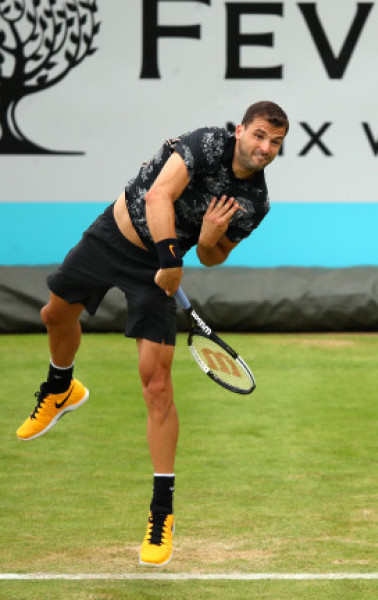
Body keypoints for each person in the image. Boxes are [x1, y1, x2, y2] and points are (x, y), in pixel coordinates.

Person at [16, 101, 289, 567]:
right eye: (260, 135)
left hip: (163, 271)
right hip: (116, 237)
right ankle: (61, 387)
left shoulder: (255, 202)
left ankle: (161, 512)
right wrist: (170, 260)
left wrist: (205, 238)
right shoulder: (206, 144)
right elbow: (158, 196)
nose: (265, 148)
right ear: (241, 130)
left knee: (157, 384)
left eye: (276, 143)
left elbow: (214, 255)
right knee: (54, 315)